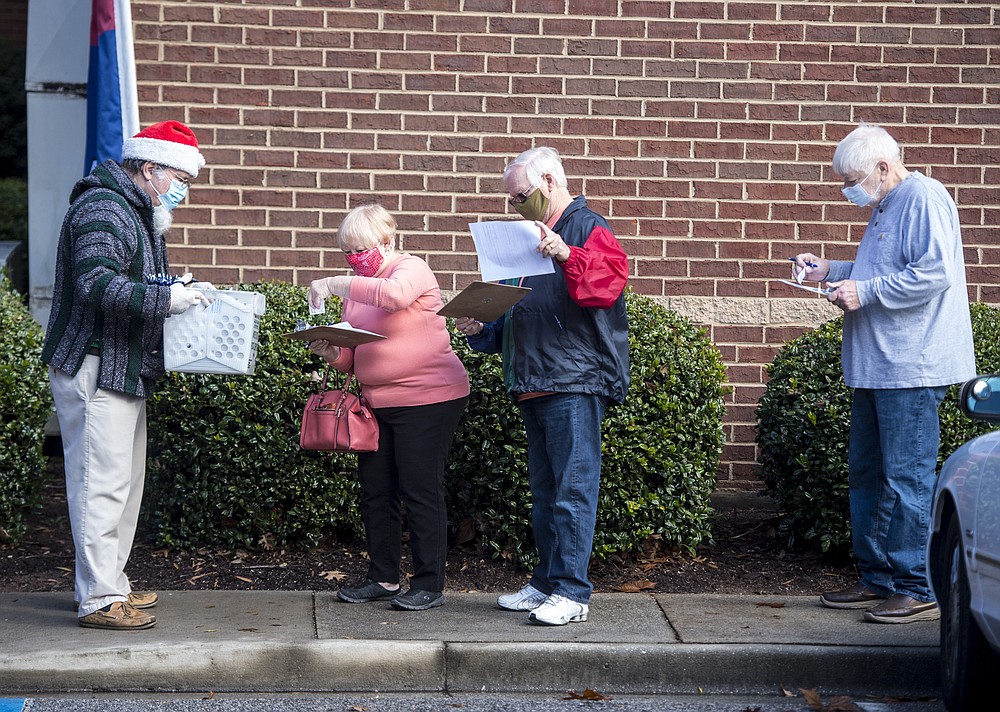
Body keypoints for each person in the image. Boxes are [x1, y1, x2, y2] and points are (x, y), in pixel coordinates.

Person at [791, 123, 975, 624]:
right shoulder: (885, 206)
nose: (848, 189)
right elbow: (882, 269)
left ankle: (917, 587)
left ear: (882, 166)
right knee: (870, 477)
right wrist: (829, 270)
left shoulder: (924, 198)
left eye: (852, 178)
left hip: (911, 367)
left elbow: (934, 272)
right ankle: (879, 579)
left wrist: (863, 293)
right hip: (879, 366)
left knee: (905, 480)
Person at [42, 120, 211, 630]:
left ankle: (110, 584)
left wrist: (173, 286)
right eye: (179, 176)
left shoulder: (133, 210)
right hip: (95, 365)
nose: (183, 189)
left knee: (122, 484)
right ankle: (99, 599)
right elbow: (95, 283)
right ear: (150, 166)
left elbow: (127, 281)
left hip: (117, 368)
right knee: (101, 485)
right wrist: (167, 299)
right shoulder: (105, 207)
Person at [454, 146, 630, 626]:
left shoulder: (586, 225)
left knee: (572, 489)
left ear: (551, 180)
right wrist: (482, 328)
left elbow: (608, 286)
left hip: (573, 380)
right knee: (547, 491)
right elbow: (519, 307)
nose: (515, 206)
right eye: (512, 199)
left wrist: (567, 252)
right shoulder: (525, 237)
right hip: (533, 379)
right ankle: (548, 582)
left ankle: (572, 593)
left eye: (521, 196)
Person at [308, 203, 470, 612]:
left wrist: (336, 282)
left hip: (429, 398)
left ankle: (429, 583)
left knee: (420, 489)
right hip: (377, 403)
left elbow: (394, 297)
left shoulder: (410, 269)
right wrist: (332, 353)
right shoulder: (358, 289)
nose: (355, 259)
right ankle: (382, 578)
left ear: (388, 241)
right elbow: (357, 357)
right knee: (377, 492)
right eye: (347, 253)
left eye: (361, 249)